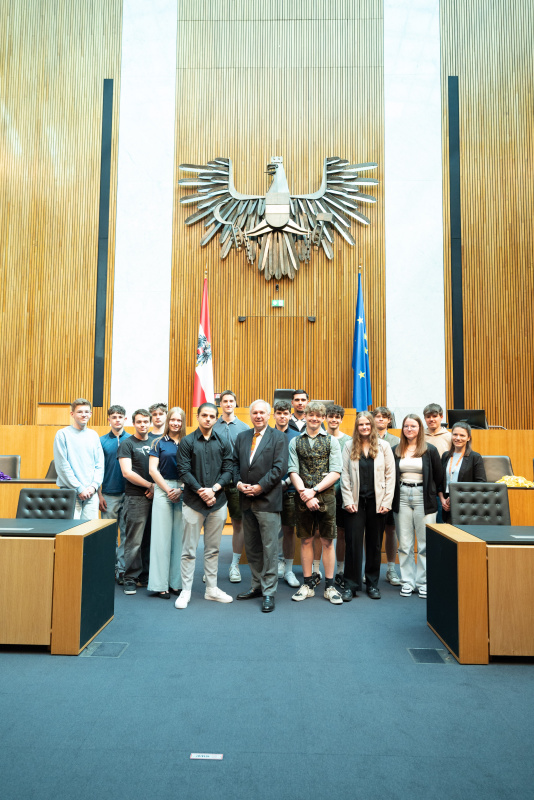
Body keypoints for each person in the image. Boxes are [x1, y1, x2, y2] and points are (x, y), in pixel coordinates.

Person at [175, 403, 233, 609]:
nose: (208, 419)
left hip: (218, 503)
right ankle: (186, 591)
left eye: (211, 416)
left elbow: (229, 470)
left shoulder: (224, 441)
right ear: (198, 416)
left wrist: (214, 490)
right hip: (193, 502)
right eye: (204, 415)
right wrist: (202, 491)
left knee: (213, 550)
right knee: (188, 550)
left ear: (216, 419)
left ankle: (211, 589)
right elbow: (183, 471)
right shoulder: (187, 441)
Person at [234, 400, 288, 612]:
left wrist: (260, 487)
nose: (258, 416)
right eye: (254, 412)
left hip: (267, 500)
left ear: (269, 415)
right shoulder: (242, 437)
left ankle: (269, 592)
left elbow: (279, 468)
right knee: (253, 548)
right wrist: (238, 483)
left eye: (262, 413)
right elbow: (234, 464)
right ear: (250, 415)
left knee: (270, 549)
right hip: (246, 500)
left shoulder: (279, 437)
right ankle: (256, 586)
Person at [288, 402, 344, 604]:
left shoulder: (331, 441)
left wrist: (314, 491)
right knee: (306, 540)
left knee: (327, 541)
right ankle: (307, 584)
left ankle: (330, 587)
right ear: (305, 416)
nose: (314, 418)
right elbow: (293, 471)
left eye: (318, 415)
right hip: (302, 496)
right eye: (310, 414)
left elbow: (336, 472)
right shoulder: (295, 441)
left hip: (326, 496)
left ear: (323, 418)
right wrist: (305, 493)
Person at [341, 412, 395, 599]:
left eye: (367, 424)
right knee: (353, 544)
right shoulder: (349, 446)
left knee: (374, 544)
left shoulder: (384, 446)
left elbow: (390, 476)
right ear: (356, 427)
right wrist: (348, 500)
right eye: (360, 424)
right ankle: (350, 585)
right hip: (355, 503)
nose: (364, 427)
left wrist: (387, 502)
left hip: (377, 503)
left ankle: (372, 584)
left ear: (372, 425)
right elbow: (344, 475)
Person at [392, 414, 443, 598]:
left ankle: (423, 582)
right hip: (402, 496)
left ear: (420, 428)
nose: (409, 429)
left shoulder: (430, 450)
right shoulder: (396, 450)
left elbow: (439, 477)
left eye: (413, 426)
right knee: (405, 543)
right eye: (406, 426)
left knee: (424, 544)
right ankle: (407, 581)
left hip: (424, 497)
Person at [147, 407, 187, 599]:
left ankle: (175, 583)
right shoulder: (158, 442)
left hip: (183, 490)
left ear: (183, 422)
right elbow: (152, 470)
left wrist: (181, 489)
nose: (175, 423)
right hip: (163, 489)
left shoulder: (188, 442)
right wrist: (168, 490)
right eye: (173, 420)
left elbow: (192, 469)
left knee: (179, 539)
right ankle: (159, 584)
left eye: (179, 420)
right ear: (168, 421)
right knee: (161, 539)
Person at [213, 389, 250, 583]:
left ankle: (234, 565)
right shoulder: (212, 425)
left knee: (238, 523)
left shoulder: (244, 428)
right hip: (216, 483)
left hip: (236, 483)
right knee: (213, 524)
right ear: (220, 404)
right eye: (225, 401)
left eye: (231, 401)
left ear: (235, 404)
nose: (228, 404)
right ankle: (210, 567)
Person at [118, 409, 155, 595]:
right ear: (133, 423)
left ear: (150, 423)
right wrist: (150, 485)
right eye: (139, 421)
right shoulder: (127, 444)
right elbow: (127, 472)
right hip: (135, 497)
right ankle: (130, 577)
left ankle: (145, 575)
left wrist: (155, 489)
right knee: (134, 541)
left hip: (155, 497)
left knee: (149, 539)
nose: (143, 424)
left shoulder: (155, 443)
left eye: (146, 421)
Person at [53, 398, 104, 521]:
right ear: (72, 414)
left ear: (90, 414)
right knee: (71, 530)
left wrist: (94, 486)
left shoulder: (93, 435)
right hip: (70, 491)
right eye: (80, 412)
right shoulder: (62, 434)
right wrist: (79, 488)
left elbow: (100, 464)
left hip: (91, 493)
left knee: (91, 530)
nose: (83, 415)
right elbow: (62, 465)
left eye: (86, 412)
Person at [98, 404, 130, 584]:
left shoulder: (132, 439)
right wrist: (99, 494)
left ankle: (122, 569)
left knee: (126, 533)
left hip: (129, 493)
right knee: (109, 534)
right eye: (114, 417)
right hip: (108, 494)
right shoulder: (101, 441)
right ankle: (110, 567)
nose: (117, 420)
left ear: (125, 419)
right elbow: (96, 469)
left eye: (120, 417)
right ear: (109, 419)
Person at [372, 406, 401, 585]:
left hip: (391, 491)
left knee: (391, 530)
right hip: (371, 491)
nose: (380, 419)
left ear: (389, 420)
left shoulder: (397, 441)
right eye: (377, 416)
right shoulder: (366, 437)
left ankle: (391, 569)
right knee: (370, 532)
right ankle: (367, 568)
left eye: (384, 417)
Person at [273, 400, 300, 587]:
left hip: (290, 489)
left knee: (289, 530)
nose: (282, 416)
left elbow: (300, 464)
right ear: (274, 414)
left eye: (285, 413)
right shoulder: (267, 434)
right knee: (272, 530)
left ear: (290, 415)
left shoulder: (297, 437)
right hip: (270, 490)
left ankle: (289, 569)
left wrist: (287, 482)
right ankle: (275, 564)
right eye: (279, 413)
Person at [325, 404, 352, 592]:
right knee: (320, 534)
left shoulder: (348, 441)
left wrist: (338, 488)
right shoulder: (320, 437)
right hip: (323, 493)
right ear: (326, 418)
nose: (334, 420)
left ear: (341, 419)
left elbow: (348, 469)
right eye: (331, 416)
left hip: (342, 494)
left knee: (341, 533)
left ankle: (340, 571)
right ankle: (316, 571)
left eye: (337, 417)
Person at [438, 421, 486, 522]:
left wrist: (456, 497)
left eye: (462, 435)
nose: (458, 438)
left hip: (466, 504)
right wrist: (442, 500)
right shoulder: (445, 456)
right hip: (446, 504)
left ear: (468, 438)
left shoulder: (475, 457)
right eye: (455, 434)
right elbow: (440, 482)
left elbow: (481, 484)